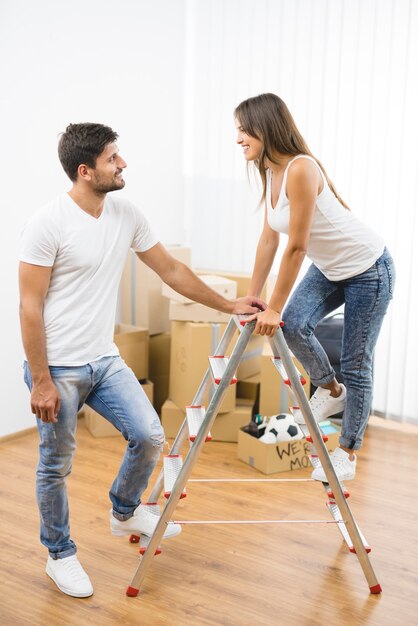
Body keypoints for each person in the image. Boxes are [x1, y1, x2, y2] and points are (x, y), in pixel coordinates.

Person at [19, 122, 266, 598]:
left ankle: (125, 509)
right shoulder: (46, 223)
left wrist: (229, 305)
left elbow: (171, 269)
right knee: (56, 465)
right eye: (114, 158)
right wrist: (41, 381)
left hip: (103, 359)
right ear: (85, 171)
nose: (124, 163)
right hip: (57, 368)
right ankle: (60, 555)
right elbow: (29, 306)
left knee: (150, 434)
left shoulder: (126, 213)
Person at [235, 93, 395, 484]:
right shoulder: (269, 171)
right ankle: (329, 387)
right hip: (331, 268)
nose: (238, 139)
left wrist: (272, 307)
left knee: (357, 363)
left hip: (368, 269)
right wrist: (254, 301)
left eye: (243, 130)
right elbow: (269, 241)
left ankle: (349, 451)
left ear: (265, 127)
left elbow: (297, 246)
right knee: (293, 323)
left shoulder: (301, 169)